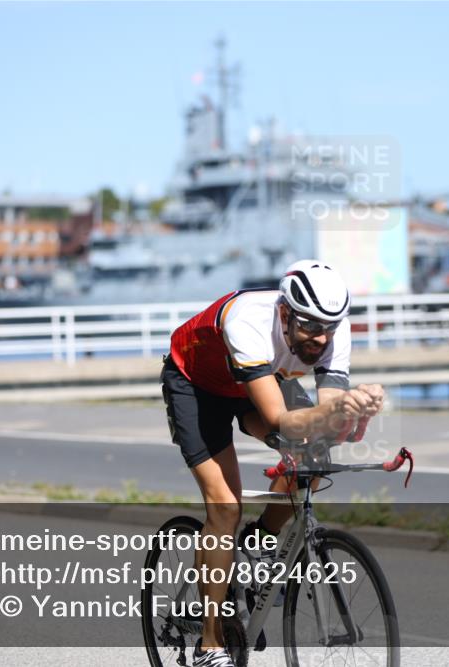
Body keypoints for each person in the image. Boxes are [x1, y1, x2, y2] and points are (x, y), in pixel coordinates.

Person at [160, 259, 385, 667]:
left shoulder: (334, 329)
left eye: (327, 329)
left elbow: (325, 425)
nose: (319, 339)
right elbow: (284, 422)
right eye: (309, 327)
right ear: (284, 313)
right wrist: (335, 416)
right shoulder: (248, 320)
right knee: (224, 508)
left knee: (314, 461)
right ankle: (210, 645)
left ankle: (258, 542)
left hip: (258, 378)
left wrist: (357, 413)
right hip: (197, 386)